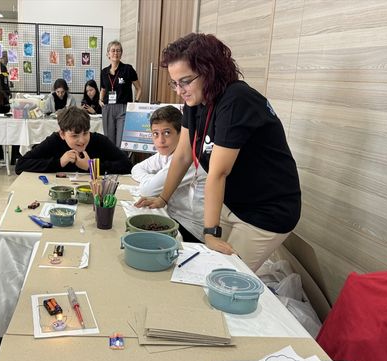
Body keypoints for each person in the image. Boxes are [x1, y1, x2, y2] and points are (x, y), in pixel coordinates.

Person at [136, 33, 301, 272]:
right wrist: (163, 198)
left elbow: (219, 172)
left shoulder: (236, 100)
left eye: (185, 81)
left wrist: (210, 233)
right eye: (175, 83)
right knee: (207, 266)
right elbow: (183, 155)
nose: (179, 90)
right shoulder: (196, 102)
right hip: (234, 201)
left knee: (223, 276)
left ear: (210, 71)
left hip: (267, 210)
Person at [131, 106, 206, 242]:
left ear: (181, 134)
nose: (160, 141)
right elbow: (136, 169)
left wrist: (154, 183)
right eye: (155, 134)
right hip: (172, 215)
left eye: (167, 133)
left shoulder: (187, 157)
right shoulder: (165, 152)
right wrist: (155, 179)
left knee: (139, 233)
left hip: (191, 229)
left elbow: (148, 189)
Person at [15, 106, 132, 175]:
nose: (81, 140)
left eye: (85, 133)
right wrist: (58, 163)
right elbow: (20, 165)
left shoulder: (99, 141)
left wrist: (92, 167)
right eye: (74, 135)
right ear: (62, 134)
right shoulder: (54, 141)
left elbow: (127, 165)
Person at [99, 40, 141, 147]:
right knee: (109, 141)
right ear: (108, 54)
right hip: (108, 108)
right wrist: (100, 100)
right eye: (113, 51)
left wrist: (135, 102)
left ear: (121, 53)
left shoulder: (128, 69)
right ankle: (111, 163)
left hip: (123, 108)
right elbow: (103, 89)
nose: (115, 53)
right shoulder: (104, 72)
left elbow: (139, 88)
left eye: (118, 51)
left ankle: (121, 163)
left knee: (121, 141)